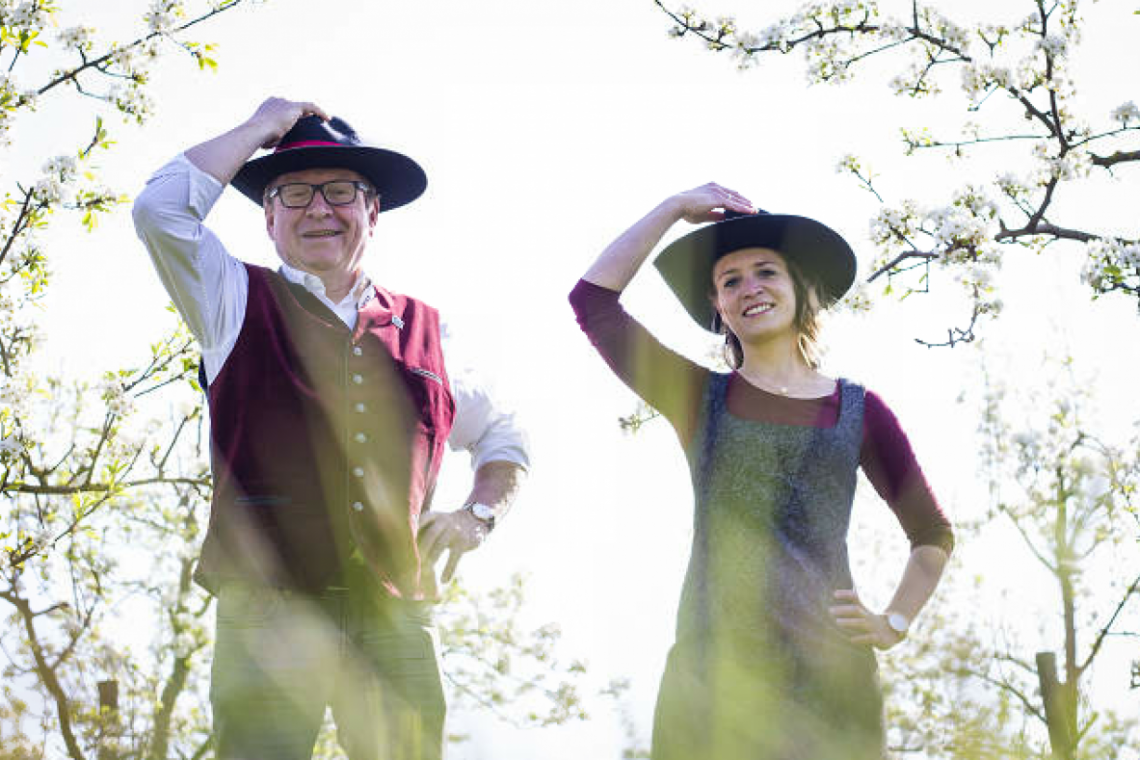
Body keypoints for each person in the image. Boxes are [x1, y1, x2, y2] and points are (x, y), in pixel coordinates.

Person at [132, 97, 529, 760]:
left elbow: (505, 438)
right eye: (294, 193)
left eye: (341, 191)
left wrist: (478, 516)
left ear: (372, 211)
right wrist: (261, 126)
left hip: (396, 616)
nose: (319, 208)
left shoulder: (431, 332)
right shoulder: (231, 299)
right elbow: (159, 211)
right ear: (268, 217)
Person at [569, 183, 953, 759]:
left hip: (830, 691)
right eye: (730, 281)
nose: (750, 288)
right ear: (718, 308)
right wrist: (674, 208)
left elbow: (932, 535)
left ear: (800, 289)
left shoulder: (858, 411)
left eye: (766, 272)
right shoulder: (697, 397)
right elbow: (592, 301)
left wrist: (893, 620)